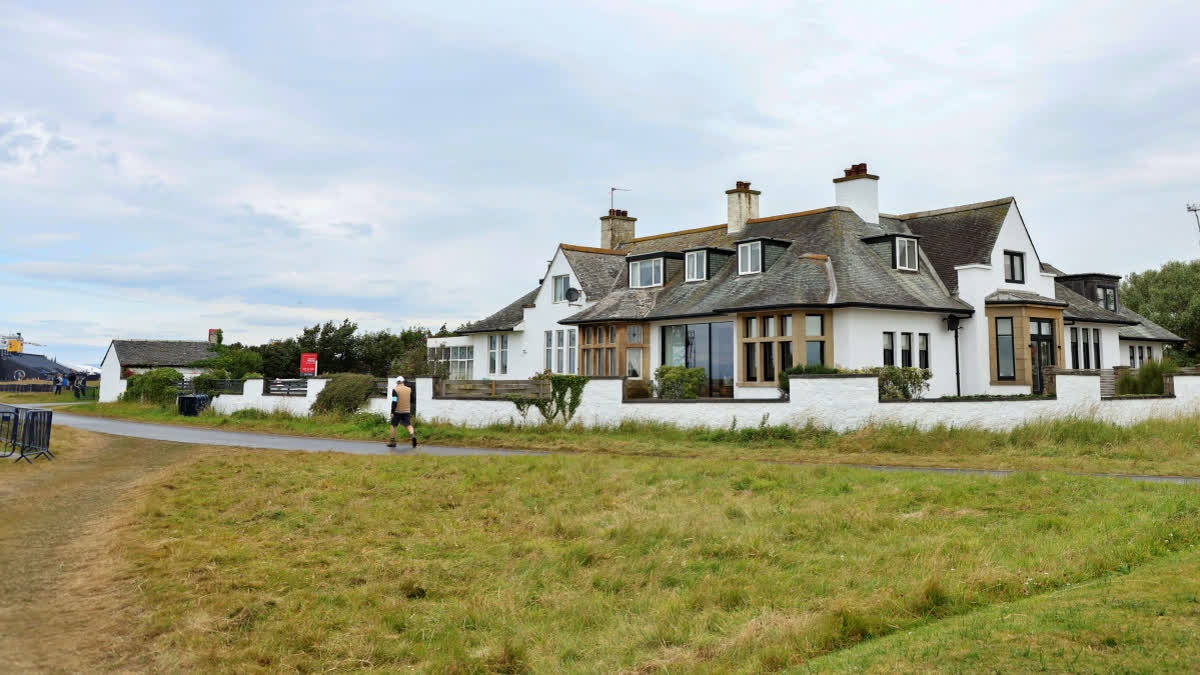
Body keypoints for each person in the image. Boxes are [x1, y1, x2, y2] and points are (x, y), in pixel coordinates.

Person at [387, 376, 416, 448]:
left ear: (397, 382)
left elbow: (394, 401)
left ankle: (392, 442)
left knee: (393, 426)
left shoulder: (395, 390)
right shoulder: (409, 389)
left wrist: (392, 412)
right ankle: (413, 436)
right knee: (408, 425)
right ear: (403, 382)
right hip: (406, 411)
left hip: (397, 411)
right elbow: (413, 400)